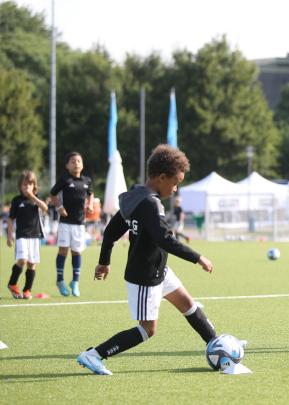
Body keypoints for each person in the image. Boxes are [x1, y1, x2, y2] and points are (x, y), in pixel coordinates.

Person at [76, 144, 218, 375]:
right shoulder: (150, 204)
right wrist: (197, 257)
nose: (175, 189)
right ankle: (94, 355)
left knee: (188, 305)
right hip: (145, 276)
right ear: (162, 177)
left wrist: (104, 261)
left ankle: (217, 343)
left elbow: (111, 231)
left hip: (159, 269)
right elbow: (164, 239)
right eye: (175, 183)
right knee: (147, 330)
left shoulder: (137, 197)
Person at [50, 152, 94, 297]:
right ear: (67, 165)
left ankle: (75, 282)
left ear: (82, 164)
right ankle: (60, 280)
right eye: (73, 161)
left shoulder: (87, 180)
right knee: (63, 251)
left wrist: (90, 204)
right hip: (65, 223)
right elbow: (53, 194)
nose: (76, 163)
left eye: (78, 161)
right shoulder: (64, 179)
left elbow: (90, 193)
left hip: (80, 224)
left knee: (77, 252)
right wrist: (59, 207)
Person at [6, 171, 48, 299]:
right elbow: (11, 219)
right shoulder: (16, 200)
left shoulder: (36, 200)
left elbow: (45, 208)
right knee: (22, 260)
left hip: (35, 236)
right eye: (24, 184)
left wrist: (33, 197)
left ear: (34, 186)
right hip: (21, 236)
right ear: (20, 186)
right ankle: (12, 283)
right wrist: (9, 235)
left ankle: (27, 290)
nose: (27, 187)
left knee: (32, 263)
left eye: (30, 184)